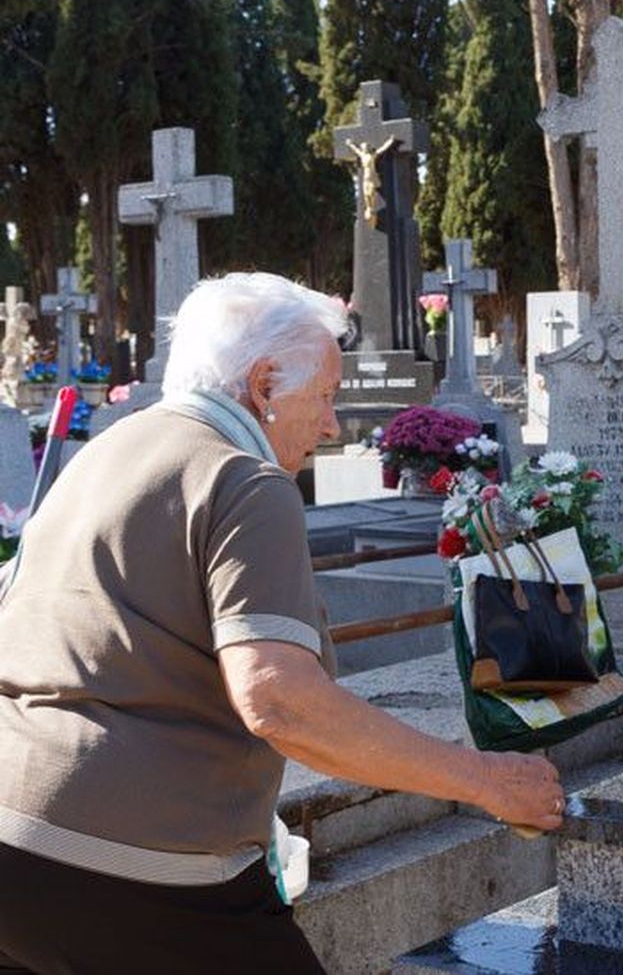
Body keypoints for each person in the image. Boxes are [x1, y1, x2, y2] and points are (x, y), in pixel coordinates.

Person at [0, 274, 564, 975]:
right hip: (136, 860)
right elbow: (280, 700)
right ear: (265, 384)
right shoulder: (245, 480)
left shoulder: (106, 452)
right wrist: (486, 781)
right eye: (324, 395)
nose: (331, 425)